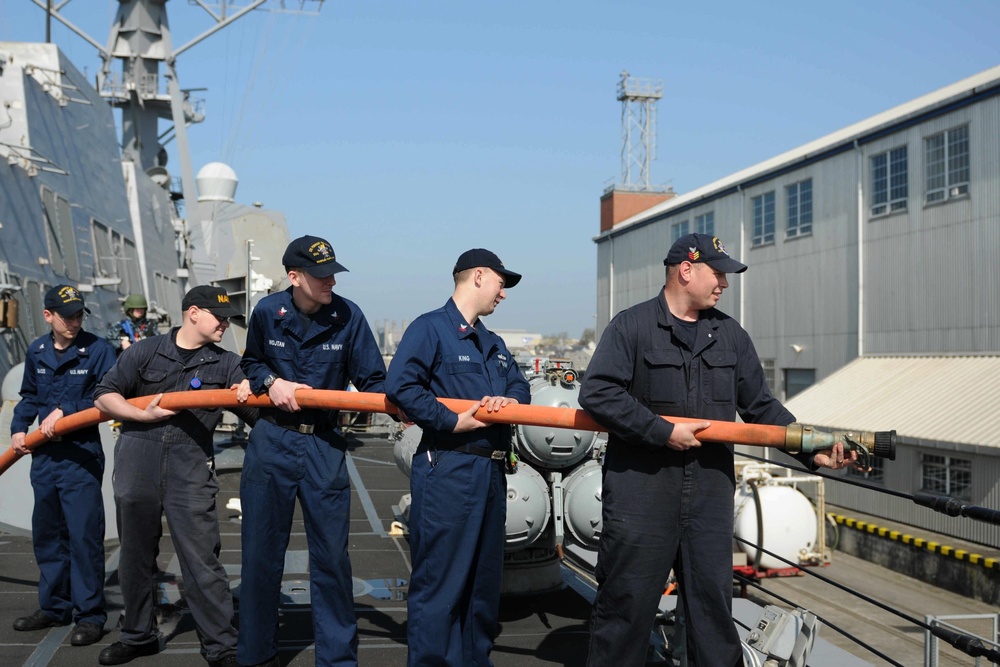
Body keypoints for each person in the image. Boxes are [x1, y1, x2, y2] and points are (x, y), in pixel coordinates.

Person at [579, 233, 862, 667]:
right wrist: (660, 431)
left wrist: (812, 451)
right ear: (686, 271)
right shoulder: (631, 326)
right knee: (625, 610)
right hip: (641, 495)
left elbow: (761, 407)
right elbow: (598, 393)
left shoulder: (729, 335)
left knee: (712, 614)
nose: (725, 284)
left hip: (709, 495)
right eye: (718, 273)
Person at [238, 235, 387, 667]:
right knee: (261, 556)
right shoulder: (268, 312)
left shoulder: (348, 315)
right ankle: (255, 657)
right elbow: (250, 362)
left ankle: (338, 660)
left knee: (332, 559)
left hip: (324, 443)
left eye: (332, 274)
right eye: (320, 276)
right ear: (293, 276)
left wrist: (411, 405)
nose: (329, 283)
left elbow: (374, 381)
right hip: (272, 442)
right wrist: (270, 381)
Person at [93, 285, 255, 667]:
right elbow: (104, 394)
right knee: (134, 558)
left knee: (201, 560)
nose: (226, 323)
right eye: (220, 316)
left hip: (190, 466)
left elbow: (256, 417)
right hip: (138, 461)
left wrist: (251, 389)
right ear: (193, 313)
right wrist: (140, 414)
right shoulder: (145, 351)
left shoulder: (228, 363)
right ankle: (138, 636)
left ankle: (221, 647)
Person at [386, 248, 531, 667]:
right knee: (441, 585)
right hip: (448, 467)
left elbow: (520, 387)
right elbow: (402, 387)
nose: (503, 294)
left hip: (491, 473)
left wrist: (508, 398)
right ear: (480, 277)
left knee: (482, 587)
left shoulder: (493, 342)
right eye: (502, 284)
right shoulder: (430, 329)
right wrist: (451, 422)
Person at [10, 285, 116, 647]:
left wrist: (67, 411)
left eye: (78, 314)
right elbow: (28, 397)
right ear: (47, 316)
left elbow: (109, 395)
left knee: (83, 538)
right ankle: (55, 607)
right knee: (48, 536)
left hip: (80, 458)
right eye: (66, 315)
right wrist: (17, 430)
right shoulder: (37, 350)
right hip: (45, 460)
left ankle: (89, 615)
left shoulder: (99, 350)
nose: (74, 321)